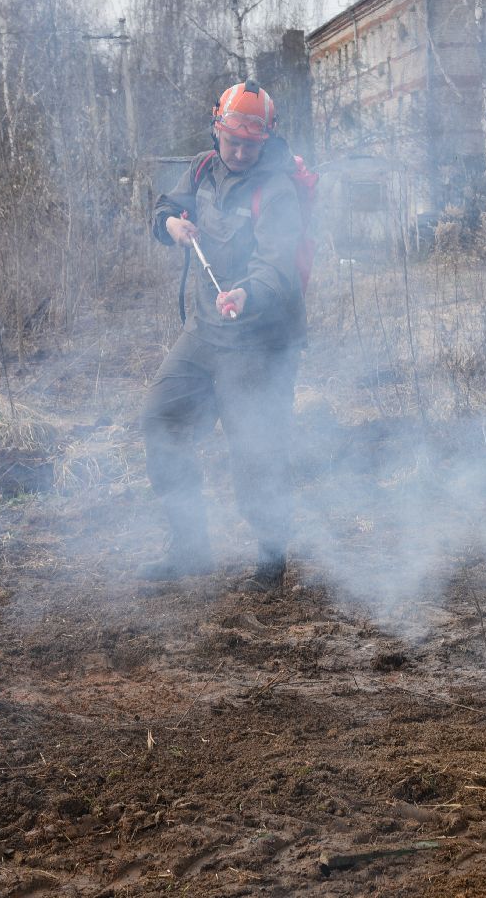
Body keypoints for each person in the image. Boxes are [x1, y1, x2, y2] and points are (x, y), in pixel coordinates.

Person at [139, 79, 306, 590]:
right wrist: (169, 224)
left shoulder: (277, 189)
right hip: (207, 332)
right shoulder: (202, 168)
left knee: (255, 448)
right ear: (217, 131)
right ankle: (189, 548)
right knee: (160, 418)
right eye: (230, 140)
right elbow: (164, 206)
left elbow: (278, 267)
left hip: (261, 340)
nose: (237, 152)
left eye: (249, 145)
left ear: (265, 140)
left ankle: (272, 560)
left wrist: (246, 294)